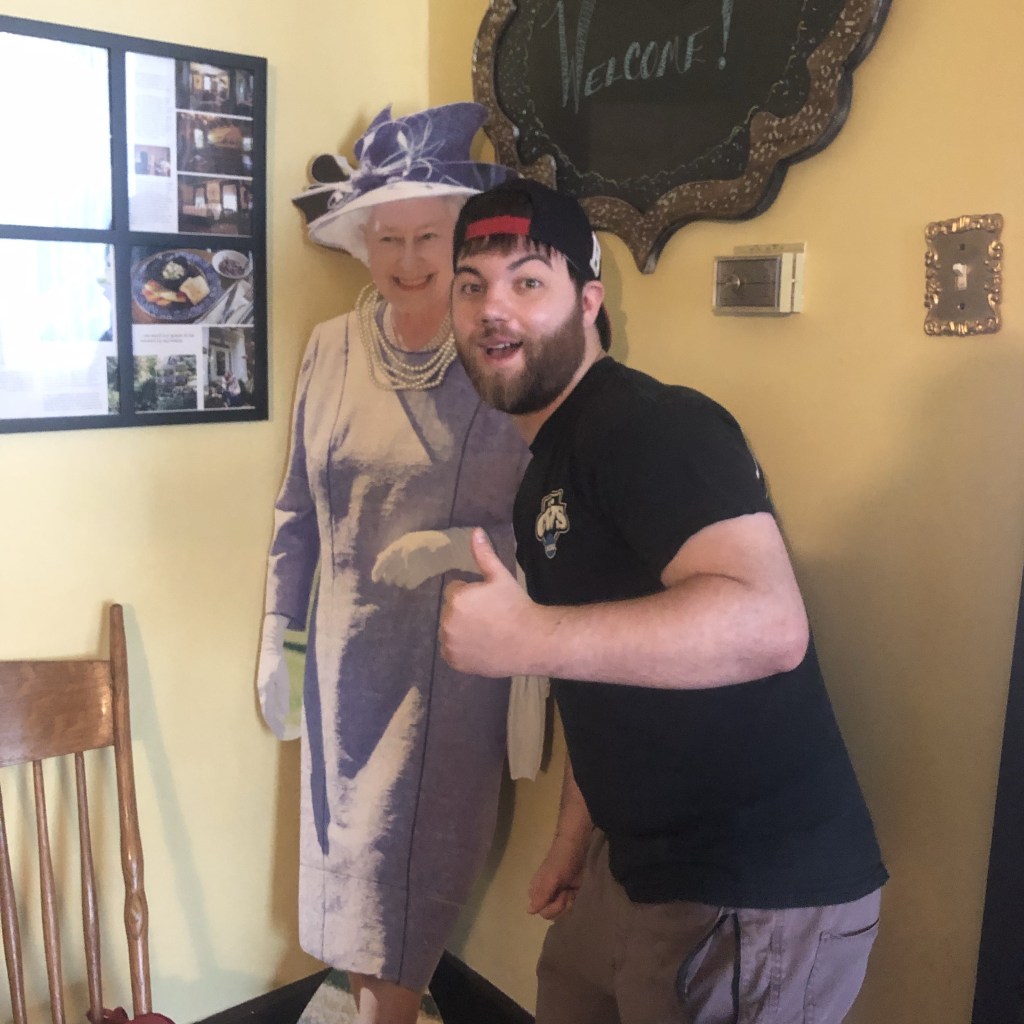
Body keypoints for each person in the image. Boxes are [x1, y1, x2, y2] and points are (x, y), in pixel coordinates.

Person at [441, 179, 888, 1024]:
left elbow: (767, 624)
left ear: (588, 301)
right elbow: (605, 666)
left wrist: (527, 636)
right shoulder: (550, 461)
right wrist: (575, 838)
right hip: (633, 864)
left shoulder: (648, 427)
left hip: (749, 889)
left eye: (528, 281)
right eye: (474, 285)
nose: (494, 308)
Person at [257, 104, 529, 1024]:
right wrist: (277, 637)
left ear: (462, 237)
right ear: (360, 242)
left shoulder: (497, 348)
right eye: (388, 238)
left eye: (429, 235)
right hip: (343, 655)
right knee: (346, 864)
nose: (409, 259)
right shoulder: (332, 346)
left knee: (409, 868)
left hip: (450, 662)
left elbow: (543, 517)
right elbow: (300, 505)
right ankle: (372, 1003)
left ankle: (389, 1011)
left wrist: (455, 549)